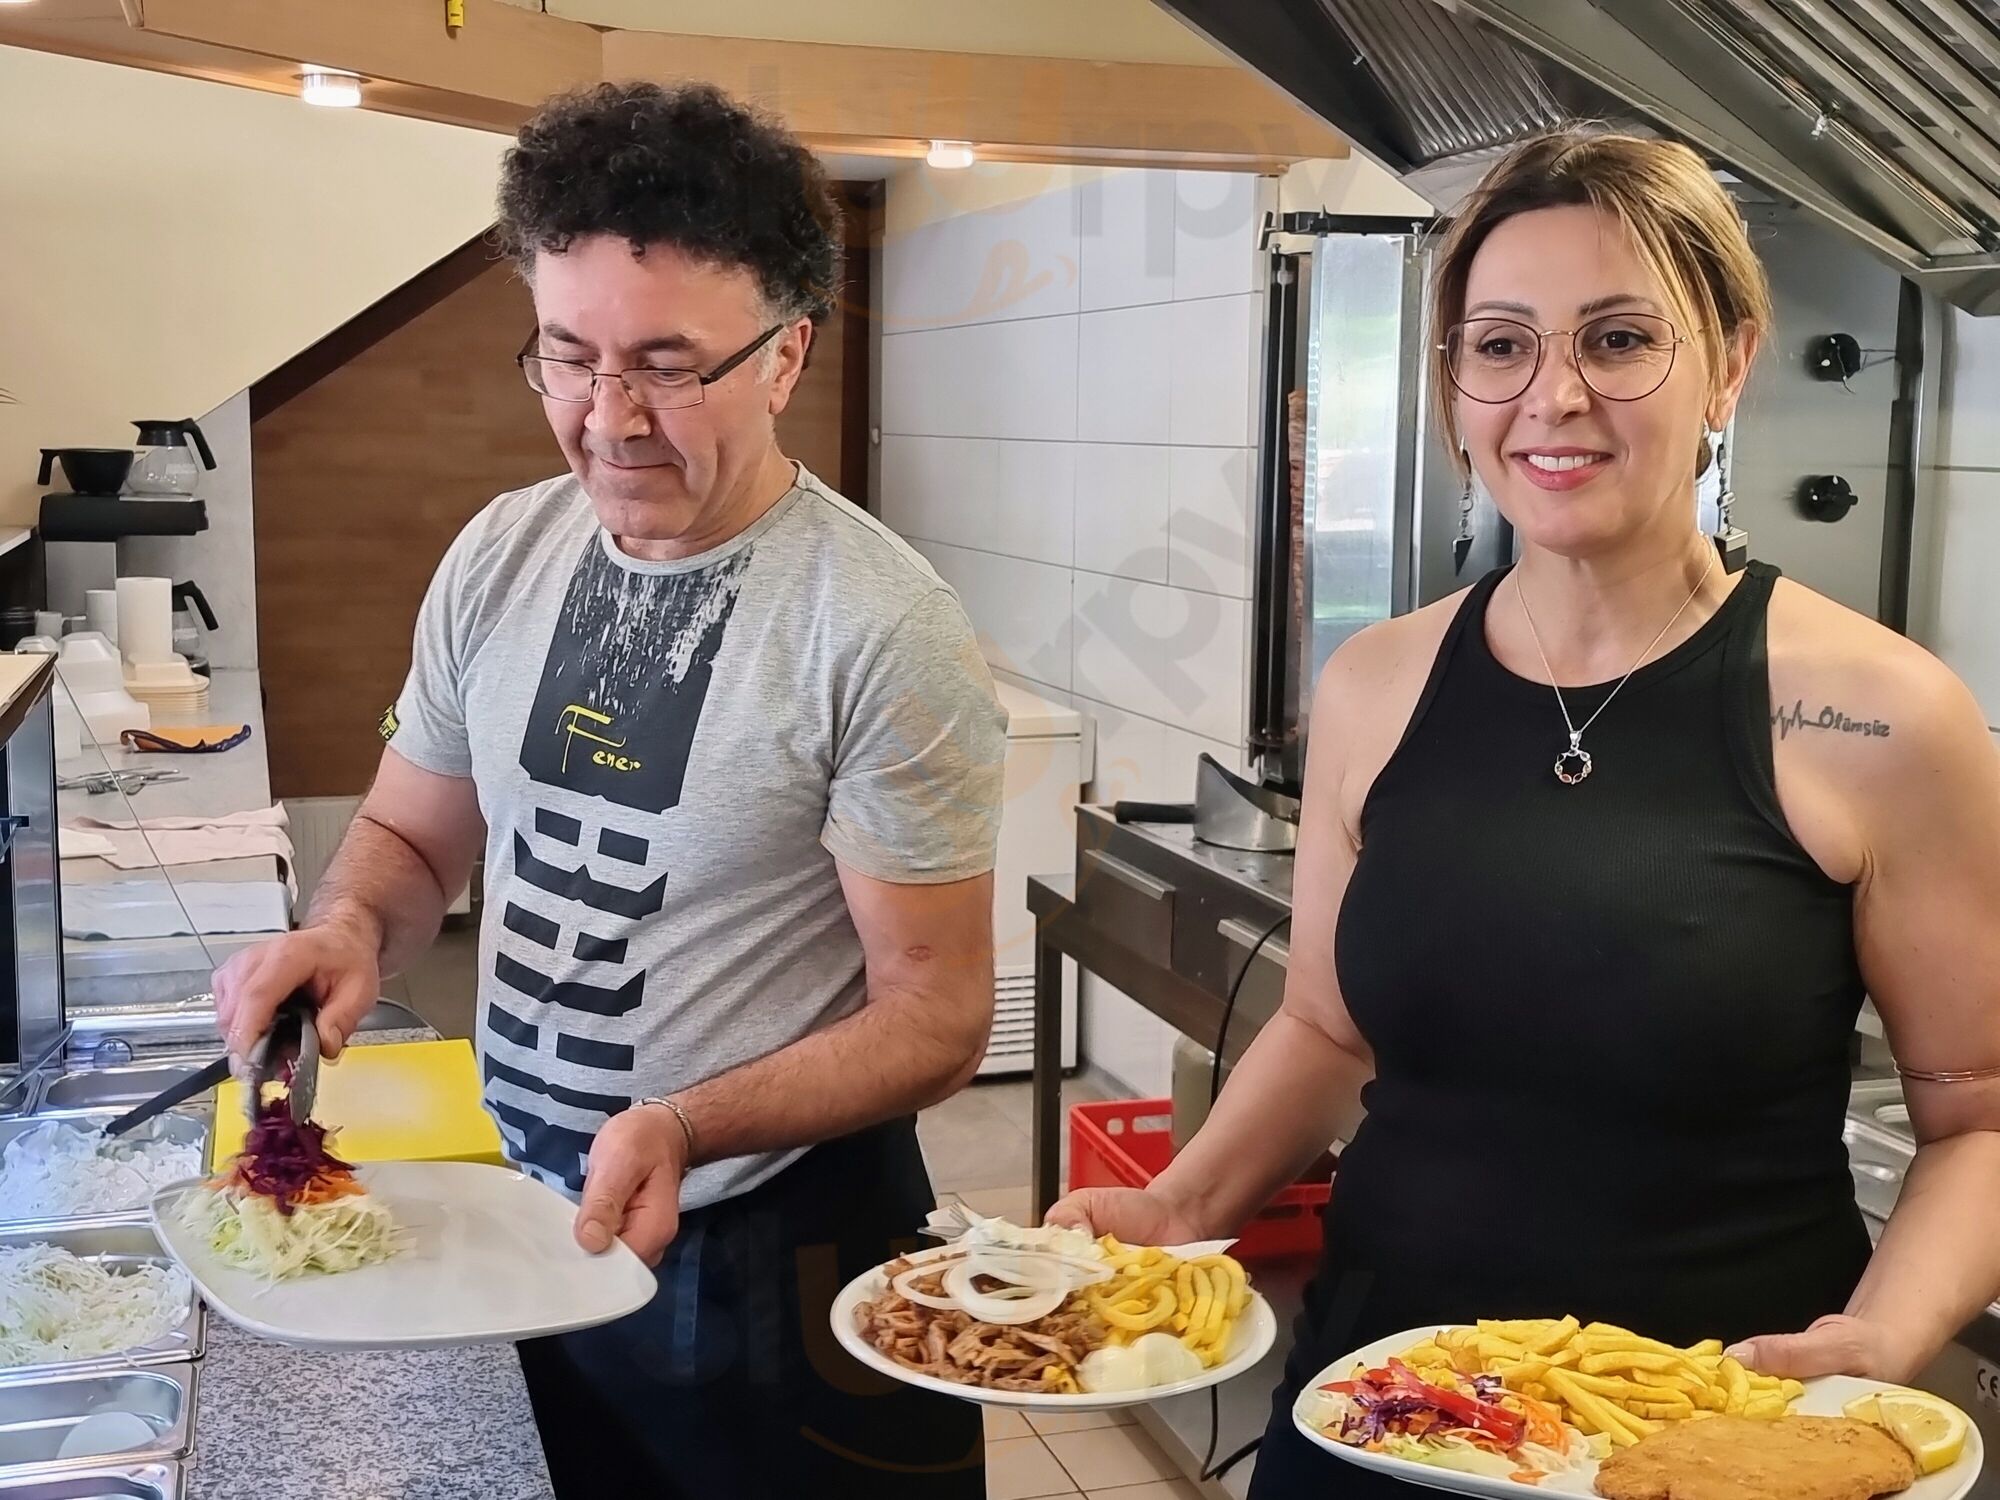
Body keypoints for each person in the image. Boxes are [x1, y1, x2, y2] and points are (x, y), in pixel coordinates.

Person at [1048, 128, 2000, 1495]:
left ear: (1731, 364)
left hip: (1714, 1427)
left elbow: (1978, 1115)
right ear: (1455, 383)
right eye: (1501, 346)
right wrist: (1180, 1202)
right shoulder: (1376, 684)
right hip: (1382, 1409)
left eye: (1620, 340)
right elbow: (1324, 1027)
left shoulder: (1881, 716)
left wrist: (1881, 1340)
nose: (1555, 396)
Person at [214, 81, 1004, 1498]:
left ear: (785, 353)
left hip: (776, 1249)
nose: (608, 419)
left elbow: (937, 1019)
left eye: (668, 365)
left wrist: (690, 1124)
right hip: (531, 1211)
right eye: (568, 358)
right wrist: (345, 928)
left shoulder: (880, 627)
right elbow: (410, 834)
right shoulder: (500, 553)